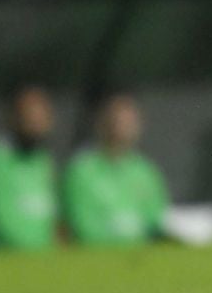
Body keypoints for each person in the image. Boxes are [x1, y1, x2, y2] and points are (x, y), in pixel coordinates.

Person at [63, 92, 170, 247]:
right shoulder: (80, 171)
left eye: (128, 121)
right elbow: (81, 226)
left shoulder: (146, 171)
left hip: (141, 261)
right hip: (98, 261)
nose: (121, 127)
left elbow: (157, 221)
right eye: (116, 120)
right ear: (101, 123)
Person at [0, 84, 59, 252]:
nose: (35, 122)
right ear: (12, 116)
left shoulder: (43, 160)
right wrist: (39, 254)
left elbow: (51, 218)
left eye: (41, 115)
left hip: (38, 265)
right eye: (29, 115)